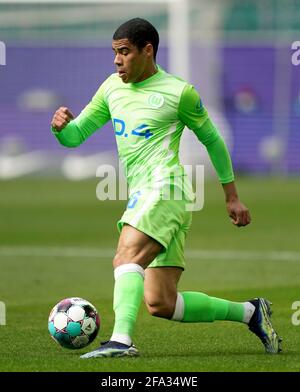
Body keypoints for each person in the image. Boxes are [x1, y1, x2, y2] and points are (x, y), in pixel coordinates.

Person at [51, 18, 281, 358]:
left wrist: (231, 196)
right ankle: (251, 312)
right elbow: (75, 136)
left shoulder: (178, 92)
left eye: (124, 52)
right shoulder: (112, 88)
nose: (117, 60)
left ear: (148, 51)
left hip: (166, 188)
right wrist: (61, 128)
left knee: (126, 255)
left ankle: (122, 342)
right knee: (161, 301)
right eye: (115, 53)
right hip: (147, 194)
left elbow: (213, 141)